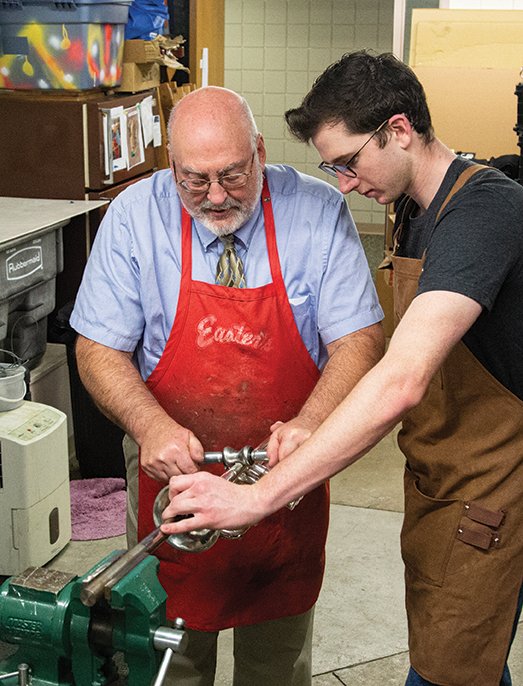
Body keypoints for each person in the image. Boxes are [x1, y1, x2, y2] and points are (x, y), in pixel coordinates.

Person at [161, 52, 523, 686]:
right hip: (444, 480)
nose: (345, 184)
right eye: (334, 169)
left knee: (448, 674)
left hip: (497, 489)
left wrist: (257, 498)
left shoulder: (483, 211)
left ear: (401, 130)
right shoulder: (415, 211)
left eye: (350, 163)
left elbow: (401, 378)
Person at [70, 85, 385, 686]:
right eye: (195, 180)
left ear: (260, 152)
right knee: (168, 652)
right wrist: (150, 425)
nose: (216, 197)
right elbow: (98, 349)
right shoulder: (135, 215)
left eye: (234, 176)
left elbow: (359, 342)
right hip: (173, 473)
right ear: (172, 167)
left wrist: (311, 427)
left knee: (278, 657)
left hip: (283, 468)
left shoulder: (318, 210)